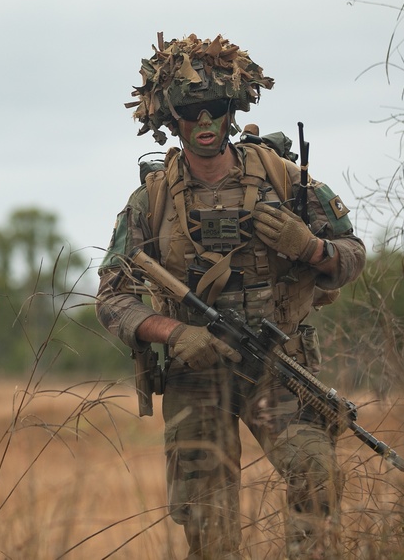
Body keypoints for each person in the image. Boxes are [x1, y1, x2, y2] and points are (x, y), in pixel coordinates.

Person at [96, 33, 365, 559]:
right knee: (208, 523)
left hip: (277, 364)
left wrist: (308, 247)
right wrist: (175, 333)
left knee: (317, 473)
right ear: (172, 120)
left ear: (231, 113)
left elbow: (352, 253)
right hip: (196, 375)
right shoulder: (149, 200)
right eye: (191, 111)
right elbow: (112, 296)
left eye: (214, 109)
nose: (203, 123)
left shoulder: (284, 179)